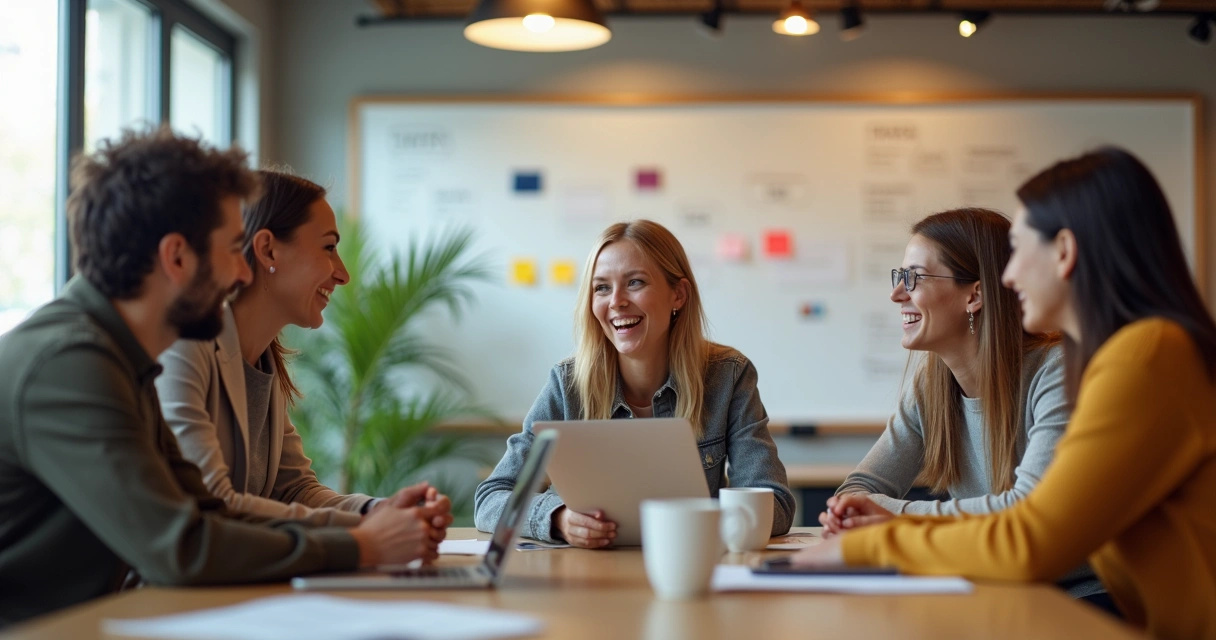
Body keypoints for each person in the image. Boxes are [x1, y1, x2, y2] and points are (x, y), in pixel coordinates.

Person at [0, 128, 446, 627]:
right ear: (176, 257)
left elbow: (208, 510)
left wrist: (370, 527)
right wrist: (361, 544)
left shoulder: (121, 357)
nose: (241, 273)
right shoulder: (70, 365)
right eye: (233, 250)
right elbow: (181, 546)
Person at [793, 147, 1216, 640]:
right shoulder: (1135, 354)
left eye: (1019, 250)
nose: (1009, 277)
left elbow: (1029, 535)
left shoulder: (1143, 357)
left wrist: (867, 542)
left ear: (1063, 251)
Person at [156, 169, 451, 534]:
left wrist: (380, 510)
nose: (343, 274)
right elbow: (212, 501)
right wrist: (368, 535)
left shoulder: (263, 360)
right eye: (329, 247)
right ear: (267, 249)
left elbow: (295, 490)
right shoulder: (186, 346)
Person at [825, 209, 1100, 599]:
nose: (896, 294)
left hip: (1077, 596)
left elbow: (1027, 511)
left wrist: (890, 513)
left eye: (914, 278)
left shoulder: (1057, 372)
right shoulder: (932, 386)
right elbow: (860, 487)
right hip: (989, 586)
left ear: (974, 295)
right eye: (899, 277)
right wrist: (849, 510)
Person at [474, 219, 794, 548]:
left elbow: (777, 506)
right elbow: (491, 499)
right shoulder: (568, 384)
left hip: (691, 570)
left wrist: (699, 525)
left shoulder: (728, 376)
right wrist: (558, 519)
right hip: (587, 580)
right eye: (601, 288)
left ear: (678, 295)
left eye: (635, 282)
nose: (616, 301)